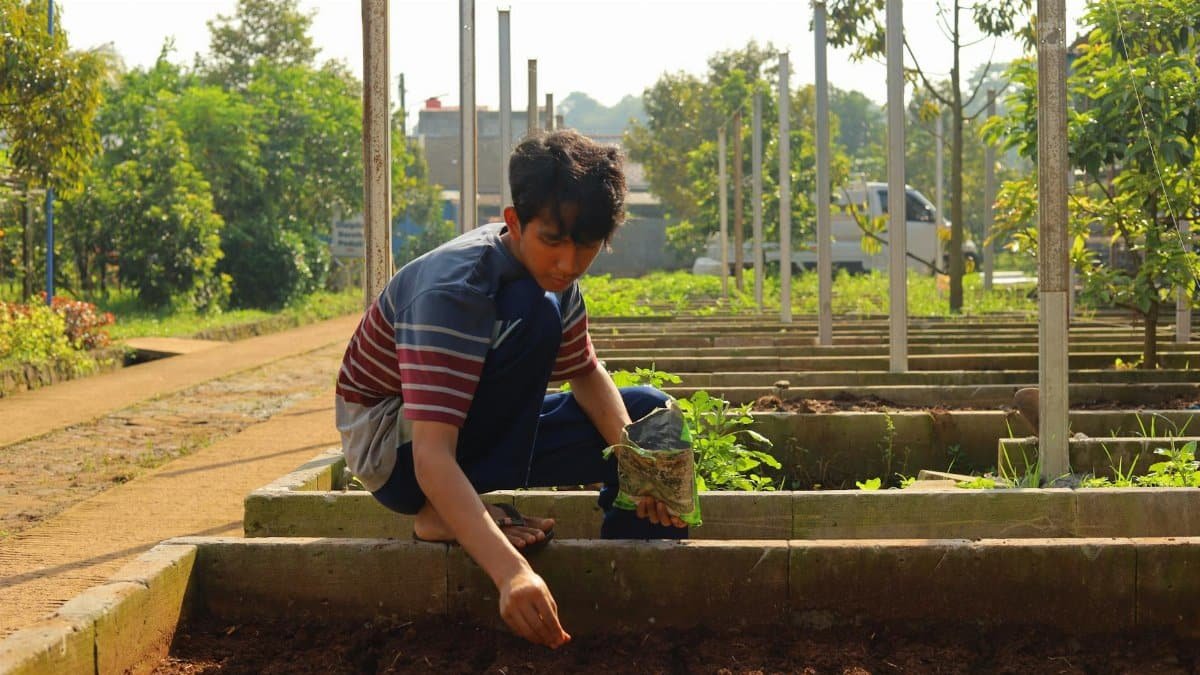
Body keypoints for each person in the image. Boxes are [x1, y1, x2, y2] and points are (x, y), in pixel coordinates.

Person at [335, 129, 687, 649]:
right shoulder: (454, 290)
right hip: (398, 455)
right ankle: (437, 516)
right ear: (514, 223)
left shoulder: (555, 283)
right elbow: (433, 456)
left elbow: (586, 373)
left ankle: (624, 603)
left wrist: (645, 473)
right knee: (532, 310)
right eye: (552, 241)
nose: (568, 263)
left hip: (470, 429)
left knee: (650, 419)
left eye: (585, 246)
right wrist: (512, 572)